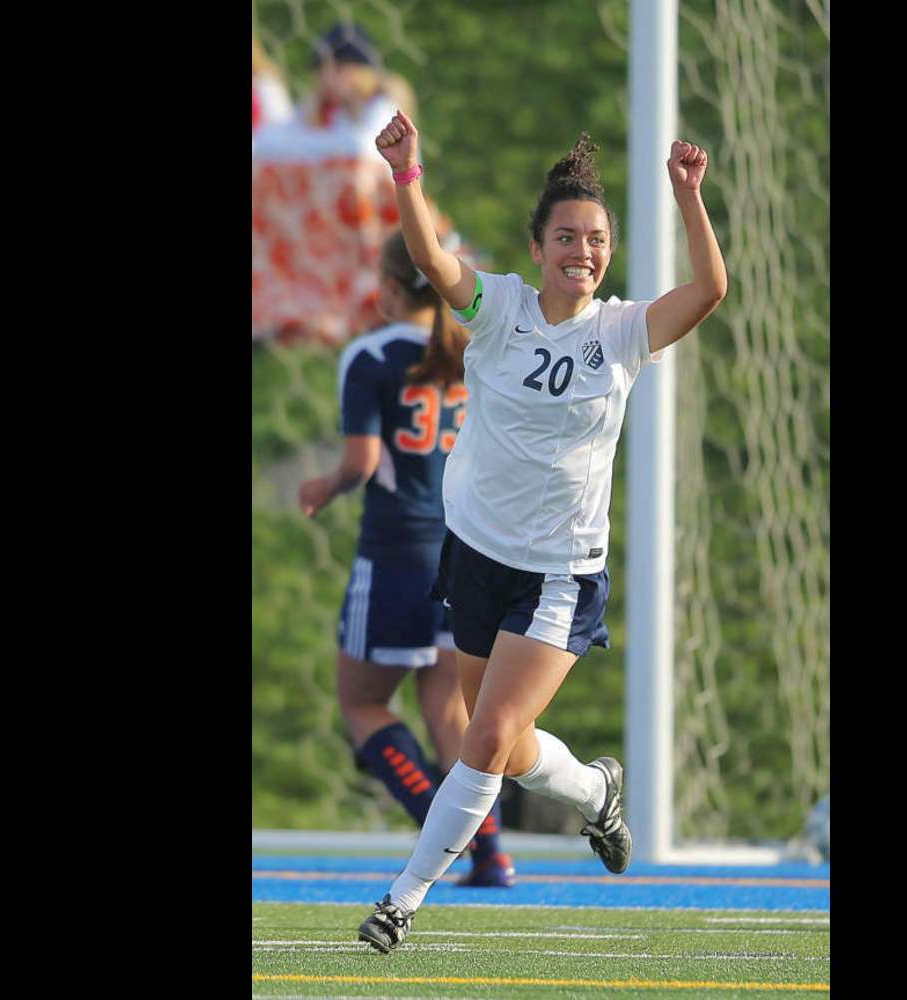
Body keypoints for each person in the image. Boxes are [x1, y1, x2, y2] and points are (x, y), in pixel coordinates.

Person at [355, 110, 728, 953]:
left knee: (481, 740)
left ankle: (401, 902)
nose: (583, 252)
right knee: (507, 740)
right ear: (538, 248)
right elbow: (429, 260)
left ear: (609, 252)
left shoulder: (624, 332)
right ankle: (597, 795)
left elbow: (708, 292)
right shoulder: (497, 309)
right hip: (476, 557)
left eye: (596, 240)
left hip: (560, 573)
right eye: (567, 237)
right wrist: (406, 174)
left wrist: (687, 196)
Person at [297, 230, 515, 889]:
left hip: (395, 552)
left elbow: (364, 463)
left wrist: (323, 485)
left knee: (362, 704)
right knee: (451, 712)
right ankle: (493, 855)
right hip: (469, 547)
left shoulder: (371, 356)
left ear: (392, 289)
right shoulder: (475, 346)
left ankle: (438, 833)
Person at [254, 22, 411, 164]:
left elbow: (362, 148)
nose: (325, 78)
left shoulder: (382, 105)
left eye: (337, 68)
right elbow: (265, 141)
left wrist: (306, 141)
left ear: (359, 70)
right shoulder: (322, 108)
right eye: (321, 70)